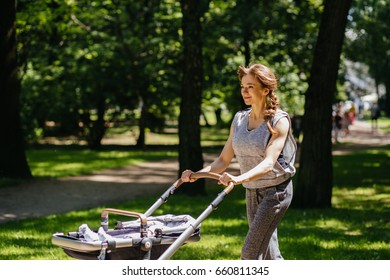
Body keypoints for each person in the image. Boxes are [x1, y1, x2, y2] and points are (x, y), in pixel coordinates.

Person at [181, 63, 297, 260]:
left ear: (265, 89)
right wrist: (195, 174)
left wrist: (237, 179)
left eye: (250, 86)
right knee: (269, 254)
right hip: (252, 191)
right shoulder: (239, 120)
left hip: (275, 192)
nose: (245, 91)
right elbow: (222, 160)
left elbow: (269, 163)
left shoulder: (279, 121)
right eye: (243, 86)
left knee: (250, 253)